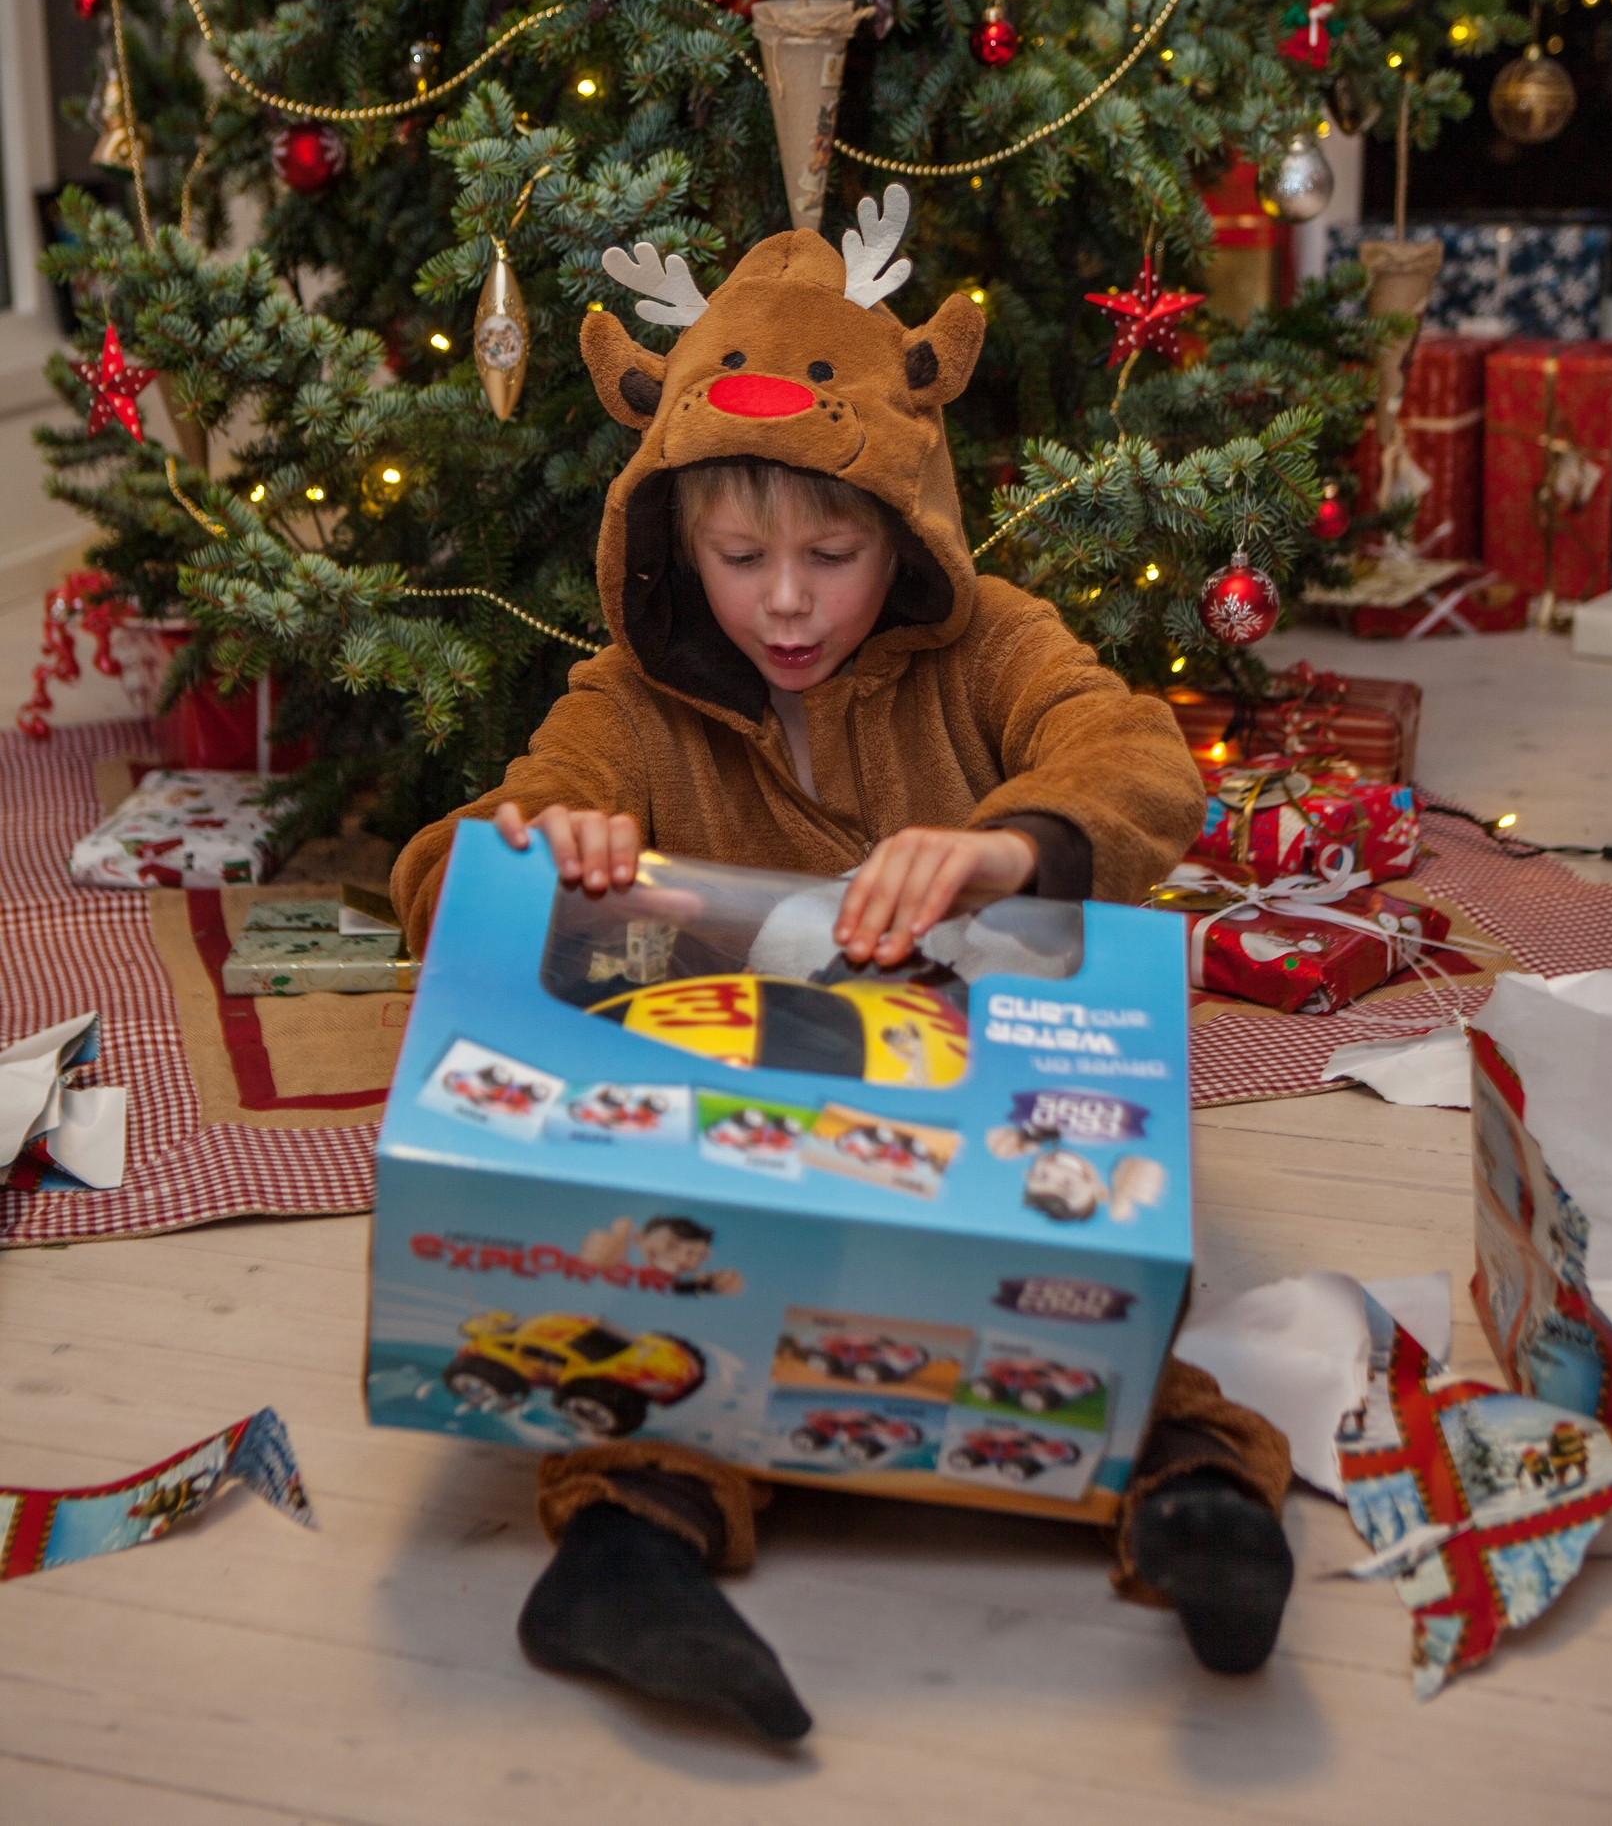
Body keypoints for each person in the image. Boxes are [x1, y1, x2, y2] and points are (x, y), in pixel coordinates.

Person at [391, 209, 1293, 1742]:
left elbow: (1136, 755)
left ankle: (1194, 1501)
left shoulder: (992, 641)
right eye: (740, 559)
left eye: (834, 554)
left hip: (966, 1133)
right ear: (675, 544)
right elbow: (446, 873)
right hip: (742, 1157)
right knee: (654, 1329)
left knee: (1101, 1322)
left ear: (908, 529)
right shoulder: (627, 700)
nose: (788, 603)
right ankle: (625, 1552)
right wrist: (540, 845)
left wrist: (1011, 844)